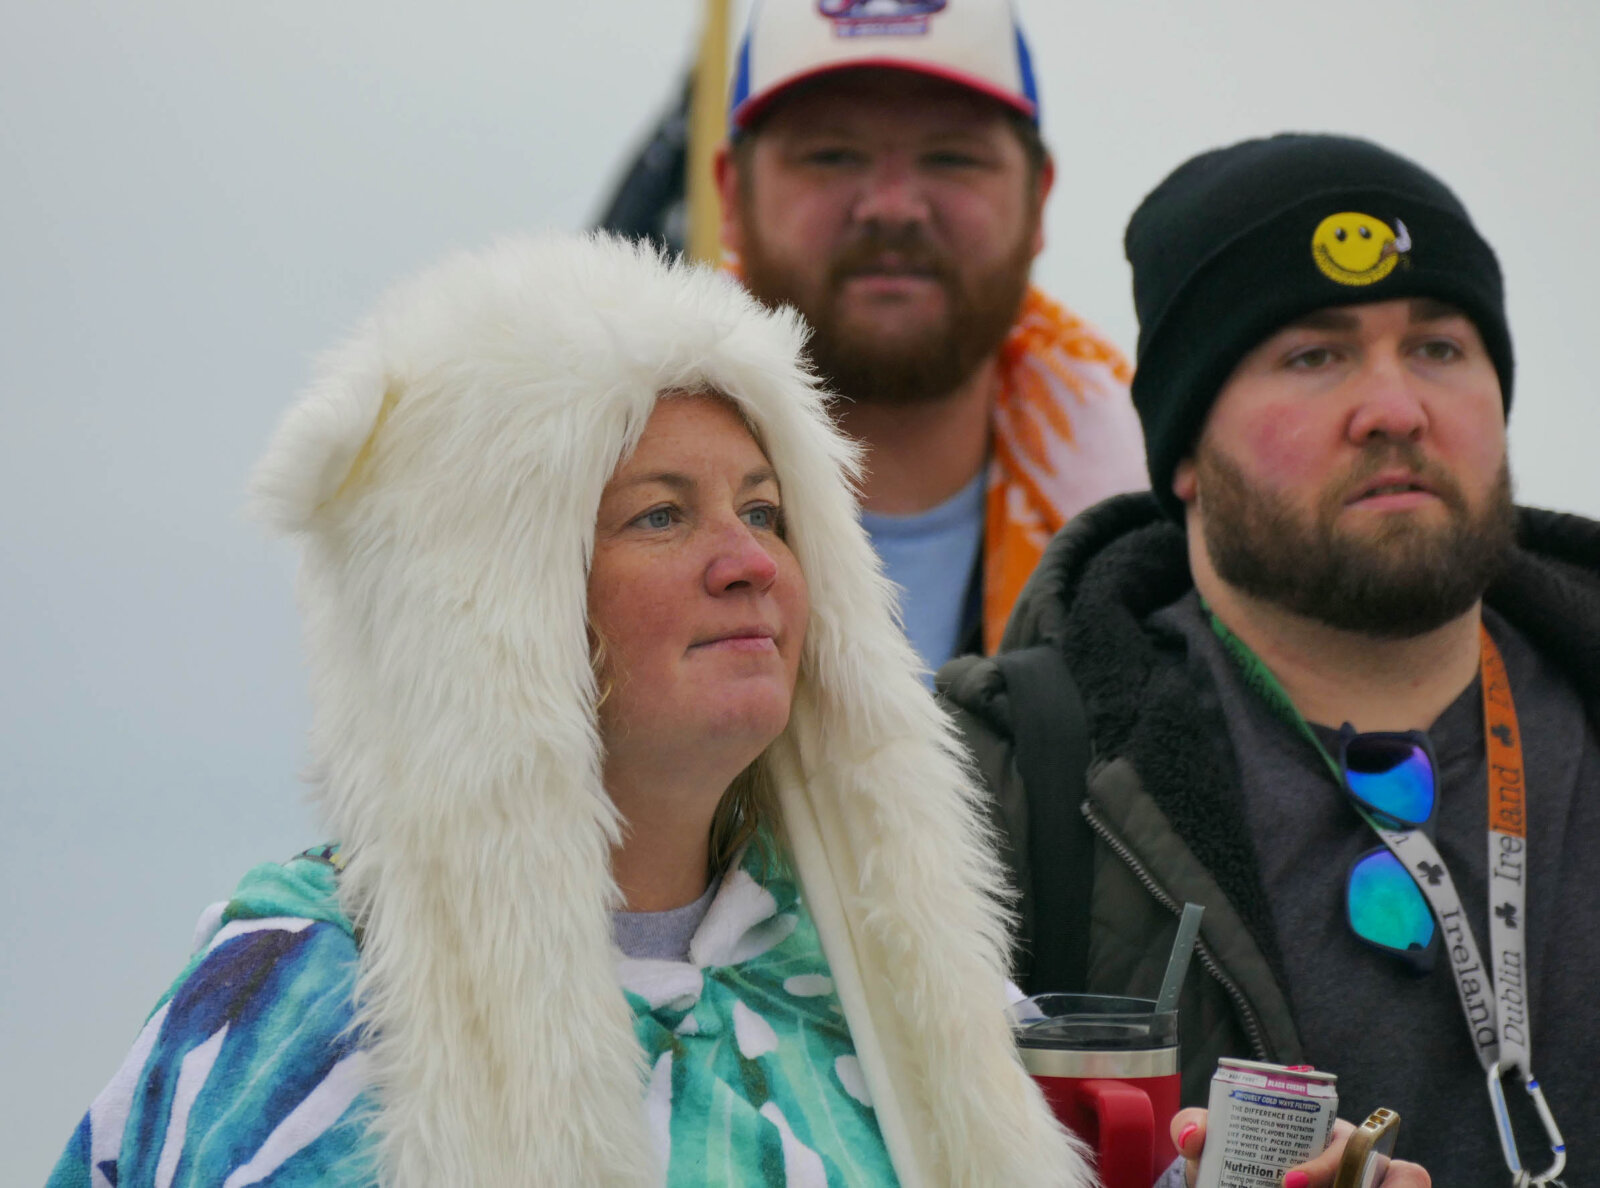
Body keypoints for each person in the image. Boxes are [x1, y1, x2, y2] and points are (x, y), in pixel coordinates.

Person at [46, 232, 1090, 1186]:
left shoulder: (898, 992)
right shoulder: (305, 1003)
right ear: (494, 604)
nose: (749, 563)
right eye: (662, 514)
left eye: (766, 510)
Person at [943, 133, 1599, 1183]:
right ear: (1187, 453)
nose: (1394, 408)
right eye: (1313, 355)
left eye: (1438, 347)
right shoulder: (996, 785)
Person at [715, 0, 1147, 674]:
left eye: (952, 158)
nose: (892, 206)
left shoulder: (1178, 549)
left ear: (1040, 198)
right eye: (831, 155)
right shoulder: (579, 523)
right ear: (730, 197)